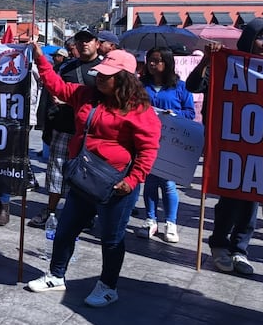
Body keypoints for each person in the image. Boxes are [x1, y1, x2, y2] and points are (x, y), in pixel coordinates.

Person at [27, 45, 161, 307]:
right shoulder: (86, 95)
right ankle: (56, 275)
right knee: (66, 229)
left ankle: (108, 286)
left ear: (123, 78)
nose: (99, 76)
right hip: (84, 179)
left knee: (111, 238)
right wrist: (40, 59)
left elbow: (148, 148)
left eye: (107, 74)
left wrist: (132, 180)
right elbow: (57, 86)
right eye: (100, 72)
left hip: (117, 185)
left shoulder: (140, 110)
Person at [187, 18, 263, 272]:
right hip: (228, 144)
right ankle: (219, 244)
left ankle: (240, 248)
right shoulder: (226, 64)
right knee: (230, 197)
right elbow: (193, 85)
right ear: (249, 38)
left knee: (253, 197)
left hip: (260, 143)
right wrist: (208, 61)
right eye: (262, 37)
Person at [30, 27, 103, 227]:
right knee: (55, 172)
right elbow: (54, 87)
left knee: (87, 175)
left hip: (91, 132)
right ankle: (51, 210)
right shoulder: (67, 67)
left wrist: (74, 102)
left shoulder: (106, 68)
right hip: (63, 127)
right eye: (80, 40)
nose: (83, 43)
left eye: (88, 40)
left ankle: (85, 214)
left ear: (97, 43)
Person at [137, 46, 195, 243]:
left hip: (171, 142)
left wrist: (174, 115)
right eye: (150, 60)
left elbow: (190, 113)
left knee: (168, 183)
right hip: (147, 139)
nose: (152, 64)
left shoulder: (181, 87)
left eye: (157, 60)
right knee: (150, 182)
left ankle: (171, 222)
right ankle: (150, 219)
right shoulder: (141, 84)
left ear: (167, 63)